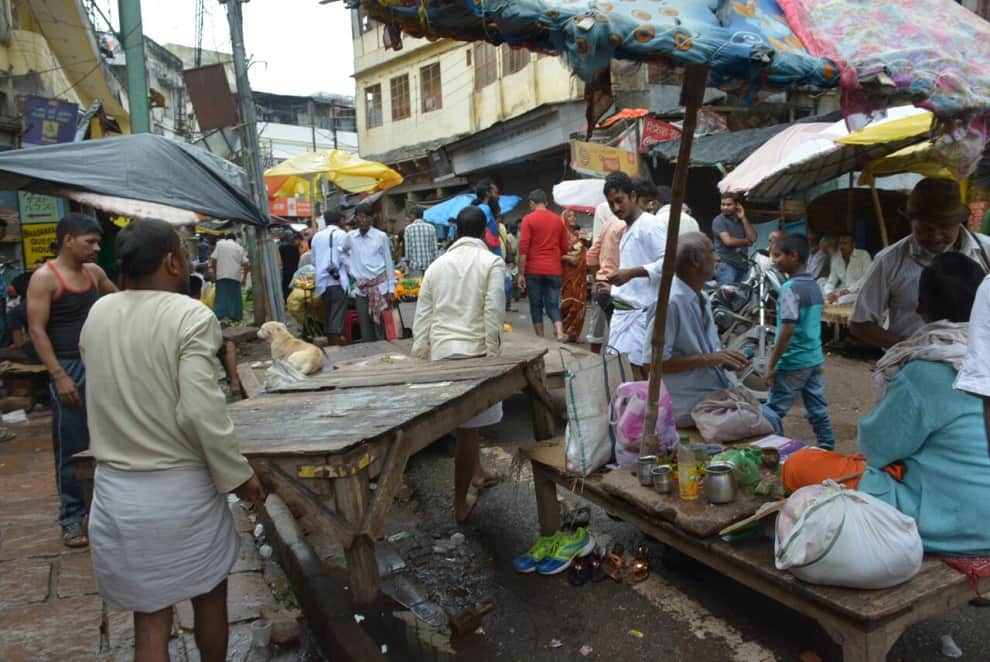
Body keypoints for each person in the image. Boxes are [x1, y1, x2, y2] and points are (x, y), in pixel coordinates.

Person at [81, 218, 266, 662]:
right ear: (170, 260)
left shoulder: (99, 313)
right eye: (181, 251)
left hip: (115, 495)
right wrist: (241, 479)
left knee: (150, 619)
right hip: (179, 494)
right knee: (209, 598)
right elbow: (202, 412)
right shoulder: (190, 315)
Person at [784, 253, 990, 555]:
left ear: (920, 307)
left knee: (799, 466)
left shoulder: (928, 370)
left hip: (955, 528)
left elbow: (875, 449)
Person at [27, 213, 117, 547]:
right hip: (68, 365)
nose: (95, 248)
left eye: (97, 242)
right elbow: (37, 330)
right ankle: (72, 517)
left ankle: (104, 512)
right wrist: (59, 376)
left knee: (107, 438)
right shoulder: (45, 278)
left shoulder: (94, 274)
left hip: (99, 363)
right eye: (89, 242)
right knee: (71, 443)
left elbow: (119, 299)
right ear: (68, 240)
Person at [411, 206, 505, 523]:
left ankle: (477, 473)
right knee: (467, 432)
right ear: (483, 232)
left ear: (455, 232)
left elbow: (423, 317)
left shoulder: (437, 267)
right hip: (475, 354)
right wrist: (493, 358)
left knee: (469, 427)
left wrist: (420, 357)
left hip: (442, 352)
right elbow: (494, 313)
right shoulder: (491, 262)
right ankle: (460, 504)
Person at [850, 177, 990, 348]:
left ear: (958, 221)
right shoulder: (888, 261)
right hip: (913, 368)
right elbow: (860, 323)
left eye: (945, 227)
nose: (936, 236)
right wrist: (912, 350)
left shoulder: (986, 251)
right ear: (911, 223)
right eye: (925, 229)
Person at [661, 233, 749, 426]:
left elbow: (708, 353)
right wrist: (712, 358)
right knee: (765, 421)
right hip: (688, 405)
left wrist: (725, 358)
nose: (718, 258)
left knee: (768, 418)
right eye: (712, 252)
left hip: (712, 394)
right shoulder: (671, 303)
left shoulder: (702, 297)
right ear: (695, 260)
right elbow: (654, 363)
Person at [762, 233, 835, 449]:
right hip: (814, 357)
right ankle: (827, 446)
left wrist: (772, 364)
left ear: (793, 256)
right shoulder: (814, 285)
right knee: (817, 407)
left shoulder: (789, 288)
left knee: (773, 409)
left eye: (777, 255)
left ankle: (773, 451)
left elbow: (787, 329)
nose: (774, 260)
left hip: (793, 360)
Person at [603, 171, 667, 378]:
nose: (616, 208)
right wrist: (613, 286)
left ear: (632, 196)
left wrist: (630, 274)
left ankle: (645, 409)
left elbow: (668, 262)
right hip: (626, 313)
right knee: (625, 372)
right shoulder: (629, 227)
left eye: (619, 201)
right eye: (611, 204)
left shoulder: (649, 224)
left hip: (640, 316)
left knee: (639, 373)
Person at [517, 189, 570, 341]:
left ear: (532, 203)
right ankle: (559, 332)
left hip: (533, 270)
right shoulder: (557, 220)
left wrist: (521, 274)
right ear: (546, 203)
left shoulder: (528, 219)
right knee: (553, 302)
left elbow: (523, 248)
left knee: (536, 304)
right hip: (553, 269)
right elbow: (565, 247)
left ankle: (540, 338)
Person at [188, 274, 244, 399]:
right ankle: (234, 381)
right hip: (203, 344)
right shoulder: (202, 308)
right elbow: (215, 331)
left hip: (191, 344)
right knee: (228, 345)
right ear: (200, 292)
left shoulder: (175, 307)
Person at [346, 202, 396, 342]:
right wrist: (350, 266)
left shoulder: (381, 237)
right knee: (365, 329)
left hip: (381, 288)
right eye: (358, 217)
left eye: (365, 217)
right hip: (362, 290)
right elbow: (342, 252)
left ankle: (386, 356)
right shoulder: (350, 237)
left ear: (371, 218)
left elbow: (389, 263)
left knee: (382, 329)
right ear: (355, 218)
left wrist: (391, 289)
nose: (362, 220)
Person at [584, 201, 620, 352]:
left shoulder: (608, 220)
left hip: (603, 280)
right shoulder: (629, 223)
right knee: (618, 329)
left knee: (597, 326)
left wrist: (596, 278)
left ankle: (596, 362)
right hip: (622, 283)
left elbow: (592, 254)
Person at [310, 210, 350, 345]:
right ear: (340, 221)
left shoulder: (316, 237)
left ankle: (331, 342)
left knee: (328, 313)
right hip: (338, 280)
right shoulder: (342, 234)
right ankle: (336, 344)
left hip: (322, 283)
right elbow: (347, 258)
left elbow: (314, 260)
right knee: (338, 314)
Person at [712, 194, 757, 285]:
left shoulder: (742, 220)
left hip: (743, 266)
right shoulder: (719, 220)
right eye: (723, 204)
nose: (725, 207)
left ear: (737, 205)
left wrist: (743, 218)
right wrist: (746, 242)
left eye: (729, 204)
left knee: (742, 297)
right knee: (725, 297)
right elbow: (728, 241)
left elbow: (753, 238)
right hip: (726, 265)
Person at [560, 209, 588, 342]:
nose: (573, 218)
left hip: (580, 274)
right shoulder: (560, 235)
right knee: (568, 301)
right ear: (564, 218)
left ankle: (574, 333)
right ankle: (564, 330)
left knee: (580, 301)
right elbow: (555, 253)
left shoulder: (578, 235)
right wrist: (569, 258)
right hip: (567, 274)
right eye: (569, 216)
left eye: (574, 216)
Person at [209, 233, 249, 325]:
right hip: (235, 276)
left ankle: (220, 317)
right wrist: (244, 278)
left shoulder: (220, 244)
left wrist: (215, 273)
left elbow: (213, 259)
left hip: (221, 274)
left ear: (226, 238)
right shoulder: (239, 248)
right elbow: (246, 264)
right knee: (234, 297)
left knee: (221, 297)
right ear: (235, 239)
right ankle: (235, 317)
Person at [823, 233, 872, 304]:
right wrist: (829, 293)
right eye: (840, 244)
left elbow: (867, 277)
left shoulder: (863, 255)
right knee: (824, 300)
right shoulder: (835, 258)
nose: (841, 247)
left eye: (845, 243)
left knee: (841, 301)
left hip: (859, 292)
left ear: (853, 244)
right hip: (841, 292)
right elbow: (831, 281)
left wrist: (849, 290)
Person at [471, 178, 503, 255]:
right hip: (490, 256)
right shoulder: (485, 209)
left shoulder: (485, 209)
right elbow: (480, 235)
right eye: (496, 193)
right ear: (487, 193)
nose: (498, 197)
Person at [403, 206, 438, 275]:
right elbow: (435, 248)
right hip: (429, 265)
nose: (410, 217)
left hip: (415, 265)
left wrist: (407, 261)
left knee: (416, 285)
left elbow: (408, 248)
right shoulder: (431, 227)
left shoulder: (408, 228)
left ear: (413, 215)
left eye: (410, 215)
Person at [277, 229, 300, 300]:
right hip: (295, 269)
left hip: (286, 269)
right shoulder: (295, 247)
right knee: (294, 285)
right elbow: (298, 258)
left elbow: (281, 259)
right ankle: (295, 300)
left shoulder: (281, 247)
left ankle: (287, 300)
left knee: (286, 285)